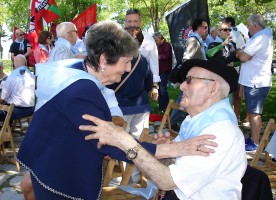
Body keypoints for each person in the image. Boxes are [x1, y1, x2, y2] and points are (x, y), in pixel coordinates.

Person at [17, 21, 217, 200]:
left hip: (51, 162)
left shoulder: (79, 69)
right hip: (59, 173)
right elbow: (112, 144)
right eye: (126, 61)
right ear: (104, 60)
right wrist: (176, 148)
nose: (129, 69)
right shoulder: (82, 89)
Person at [80, 58, 247, 199]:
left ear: (213, 88)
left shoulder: (220, 132)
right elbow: (173, 167)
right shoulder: (197, 122)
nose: (182, 87)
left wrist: (125, 141)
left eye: (189, 80)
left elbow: (167, 181)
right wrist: (167, 152)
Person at [236, 14, 273, 150]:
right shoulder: (260, 37)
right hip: (254, 80)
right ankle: (254, 139)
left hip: (256, 82)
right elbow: (244, 55)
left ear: (255, 26)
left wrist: (241, 53)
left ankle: (256, 143)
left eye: (248, 25)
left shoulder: (261, 38)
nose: (247, 28)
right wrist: (242, 53)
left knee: (254, 113)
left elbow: (243, 57)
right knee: (253, 112)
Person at [170, 18, 209, 131]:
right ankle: (172, 122)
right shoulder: (193, 40)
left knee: (187, 99)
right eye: (205, 27)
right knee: (183, 99)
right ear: (199, 28)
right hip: (193, 77)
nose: (207, 30)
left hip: (196, 77)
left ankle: (178, 121)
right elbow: (186, 59)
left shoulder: (198, 41)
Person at [125, 8, 160, 101]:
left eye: (135, 21)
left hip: (141, 86)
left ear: (141, 22)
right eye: (129, 21)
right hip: (120, 86)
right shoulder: (117, 38)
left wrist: (155, 86)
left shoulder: (149, 40)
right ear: (125, 22)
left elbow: (154, 62)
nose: (132, 24)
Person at [0, 55, 35, 124]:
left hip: (16, 111)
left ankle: (3, 131)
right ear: (26, 63)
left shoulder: (13, 75)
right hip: (30, 109)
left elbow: (4, 95)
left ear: (14, 63)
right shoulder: (31, 75)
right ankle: (7, 129)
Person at [153, 32, 173, 111]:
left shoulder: (167, 45)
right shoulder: (156, 46)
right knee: (158, 89)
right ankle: (161, 106)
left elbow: (166, 56)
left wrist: (156, 56)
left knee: (162, 89)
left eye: (156, 40)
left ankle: (166, 107)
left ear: (160, 39)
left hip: (165, 70)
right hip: (158, 70)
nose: (155, 42)